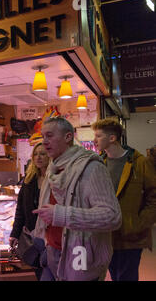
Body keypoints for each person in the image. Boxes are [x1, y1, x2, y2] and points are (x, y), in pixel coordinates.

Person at [32, 116, 121, 281]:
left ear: (68, 137)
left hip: (79, 256)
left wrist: (62, 215)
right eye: (43, 136)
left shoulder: (92, 168)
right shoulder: (53, 168)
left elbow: (112, 216)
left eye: (50, 136)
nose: (44, 141)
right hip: (51, 251)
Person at [92, 118, 156, 281]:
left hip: (131, 236)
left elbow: (153, 196)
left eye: (98, 136)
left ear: (112, 138)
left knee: (126, 276)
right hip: (107, 235)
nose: (94, 140)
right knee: (115, 275)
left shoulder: (139, 162)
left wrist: (139, 224)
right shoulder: (99, 163)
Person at [10, 142, 49, 280]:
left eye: (43, 154)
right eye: (36, 154)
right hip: (32, 237)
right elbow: (20, 209)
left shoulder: (56, 179)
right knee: (39, 272)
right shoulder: (28, 179)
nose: (38, 157)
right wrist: (14, 233)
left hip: (50, 238)